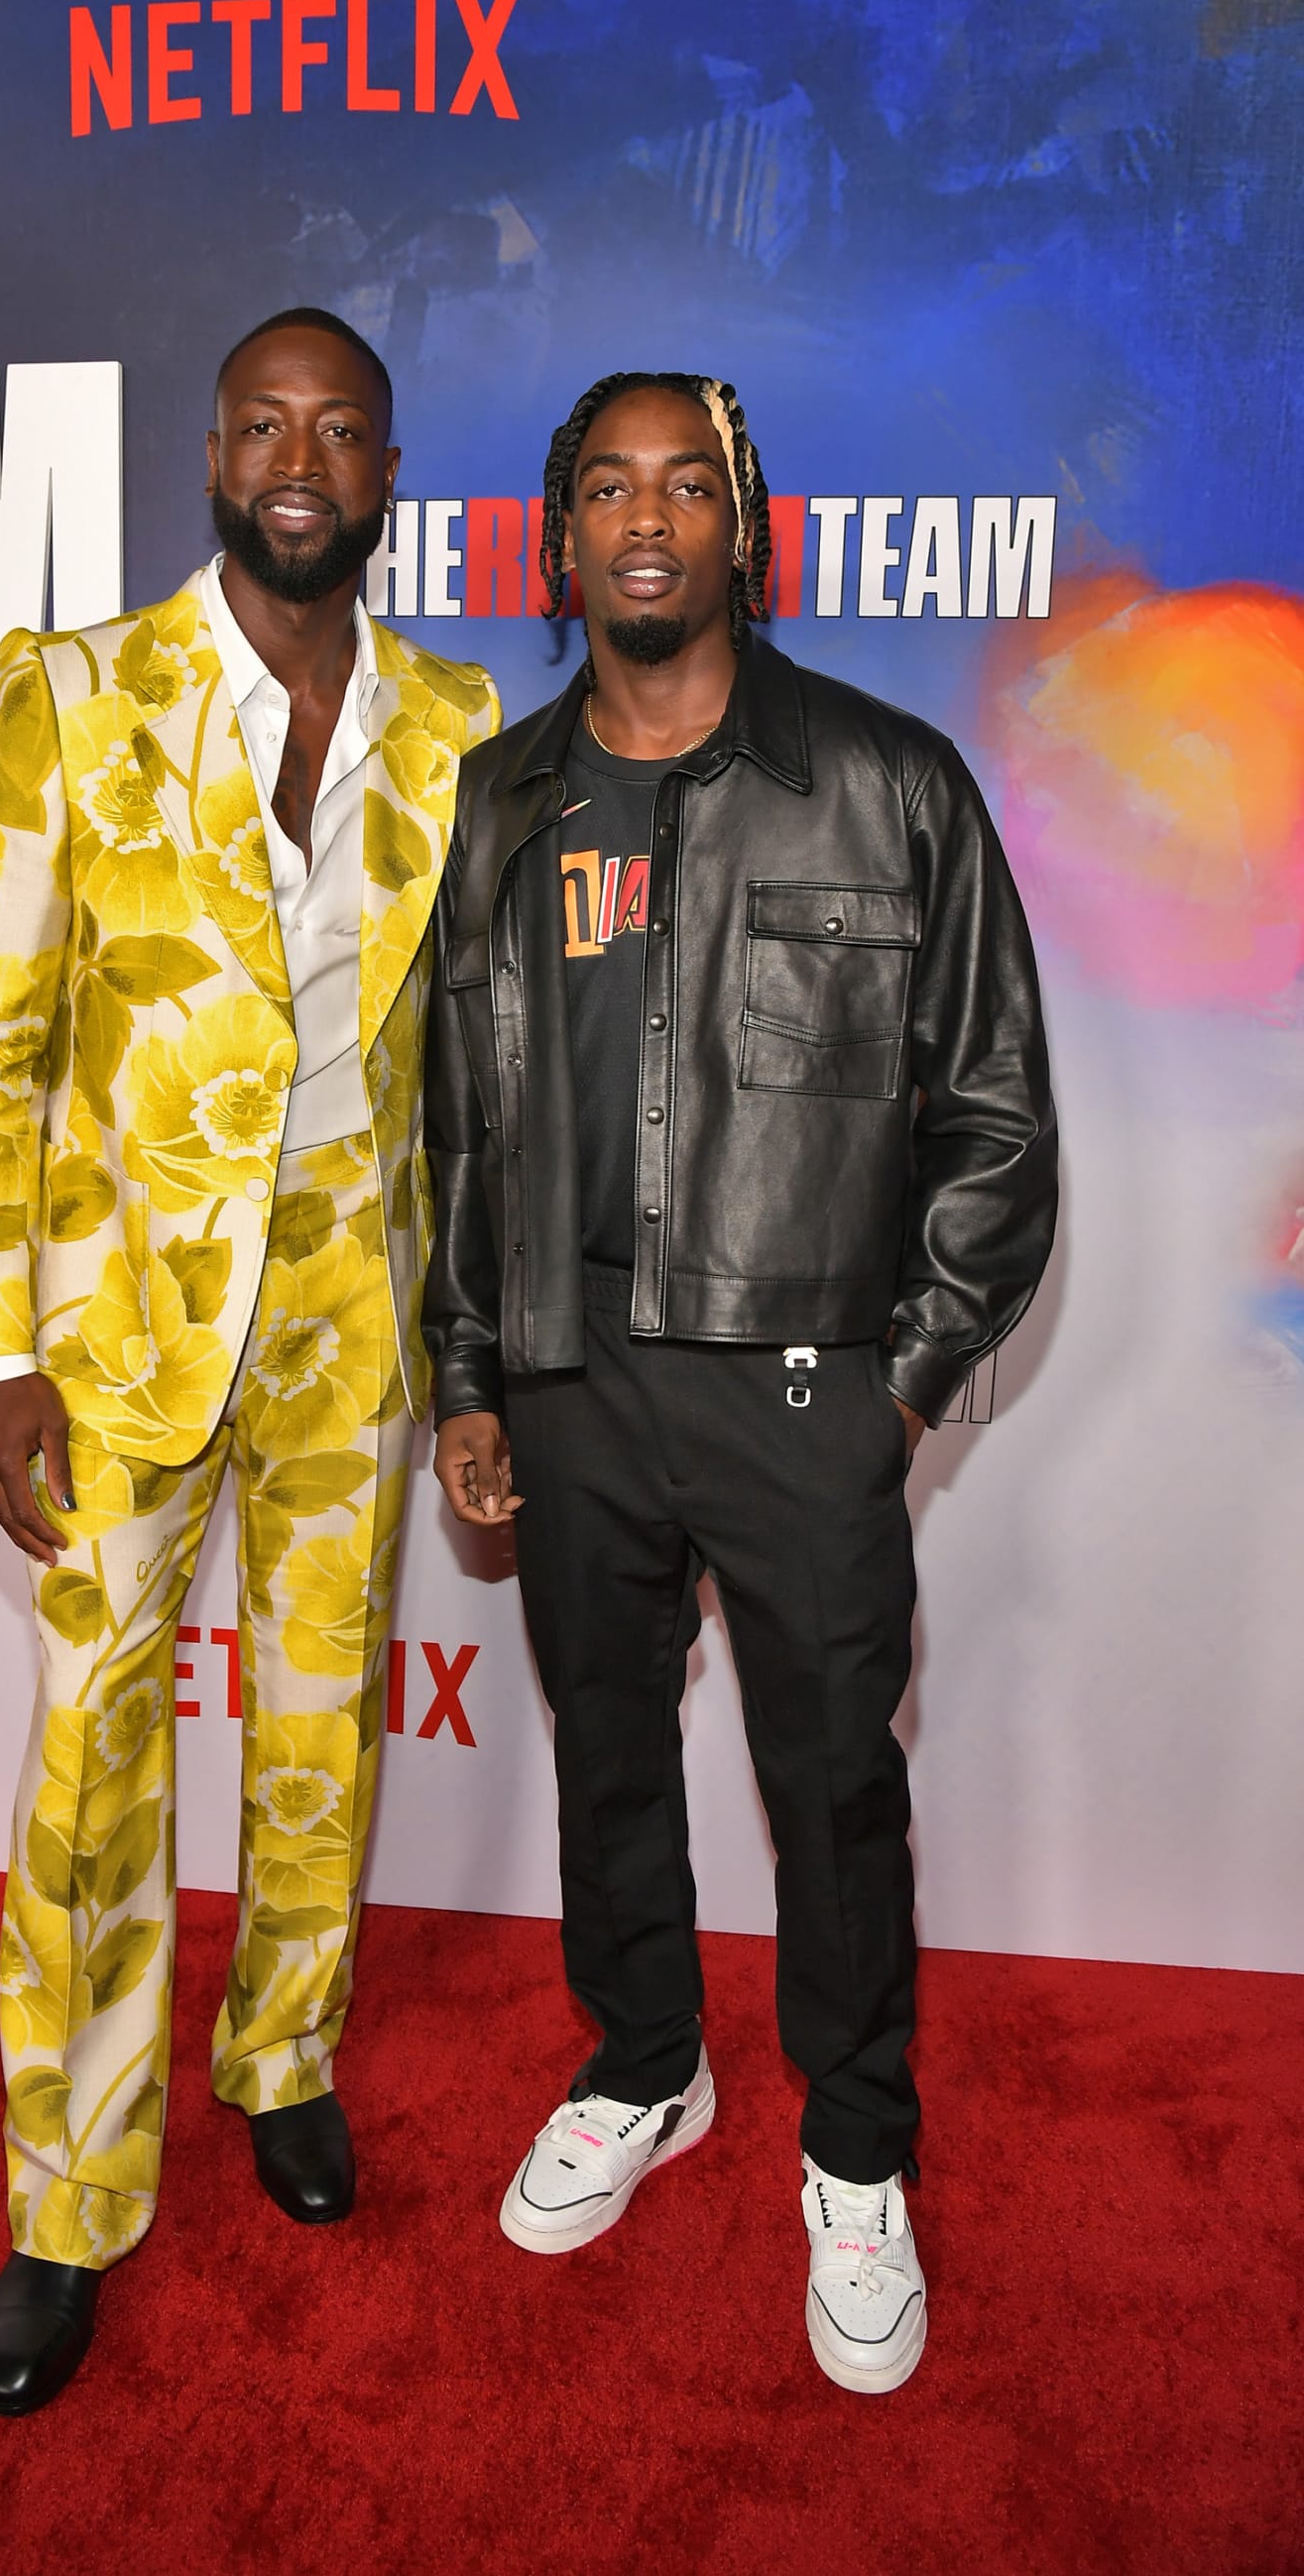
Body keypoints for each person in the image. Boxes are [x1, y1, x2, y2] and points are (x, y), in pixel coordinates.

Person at [423, 369, 1056, 2395]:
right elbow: (461, 1120)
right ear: (560, 537)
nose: (646, 518)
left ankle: (857, 2153)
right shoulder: (501, 801)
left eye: (686, 485)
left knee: (833, 1785)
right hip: (570, 1379)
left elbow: (998, 1124)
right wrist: (470, 1371)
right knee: (607, 1752)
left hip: (806, 1387)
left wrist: (899, 1387)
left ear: (741, 527)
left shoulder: (891, 782)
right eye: (606, 486)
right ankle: (646, 2064)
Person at [0, 306, 499, 2416]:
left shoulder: (455, 720)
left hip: (354, 1295)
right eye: (265, 424)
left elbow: (470, 1065)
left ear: (386, 474)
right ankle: (68, 2195)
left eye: (339, 431)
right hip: (117, 1321)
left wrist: (473, 1339)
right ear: (212, 457)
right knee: (93, 1753)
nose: (298, 461)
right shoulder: (73, 694)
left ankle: (282, 2052)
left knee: (318, 1711)